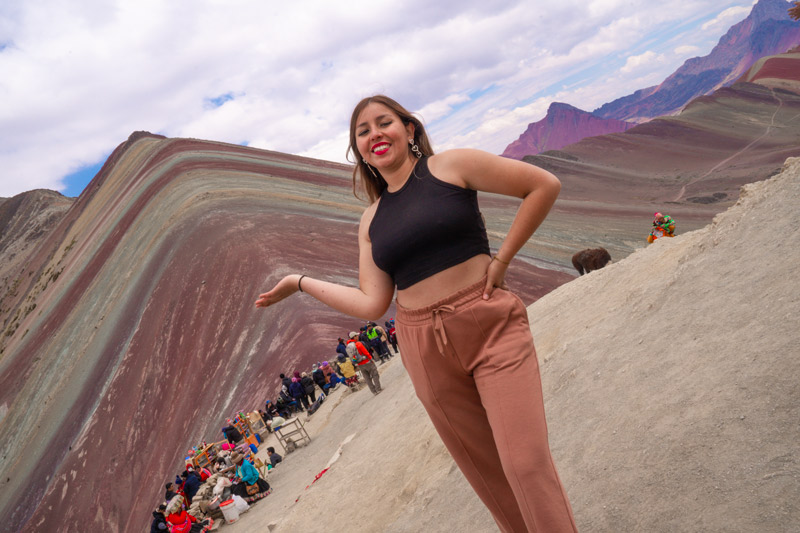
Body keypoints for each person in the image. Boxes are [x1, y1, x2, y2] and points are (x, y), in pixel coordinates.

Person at [255, 94, 576, 532]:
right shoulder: (371, 220)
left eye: (383, 122)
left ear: (408, 129)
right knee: (489, 477)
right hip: (424, 345)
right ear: (359, 151)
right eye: (362, 131)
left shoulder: (451, 166)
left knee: (524, 463)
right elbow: (373, 303)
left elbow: (543, 185)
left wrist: (500, 262)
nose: (374, 134)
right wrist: (299, 282)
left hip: (489, 323)